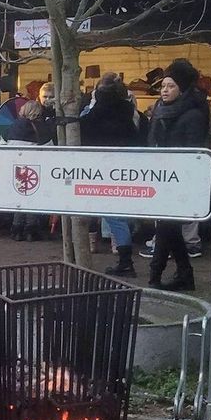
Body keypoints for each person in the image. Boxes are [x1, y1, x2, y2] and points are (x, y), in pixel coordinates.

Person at [145, 60, 209, 291]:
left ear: (181, 88)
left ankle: (155, 276)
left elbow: (193, 150)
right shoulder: (159, 111)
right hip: (159, 176)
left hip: (179, 178)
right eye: (163, 86)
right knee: (168, 227)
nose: (164, 90)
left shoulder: (193, 114)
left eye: (170, 86)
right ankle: (184, 273)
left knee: (166, 226)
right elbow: (150, 141)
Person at [80, 73, 141, 277]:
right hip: (125, 168)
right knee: (118, 216)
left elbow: (81, 129)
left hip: (99, 169)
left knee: (111, 215)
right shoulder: (130, 113)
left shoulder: (93, 115)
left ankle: (126, 262)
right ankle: (124, 258)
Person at [6, 100, 49, 242]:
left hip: (16, 167)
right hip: (35, 167)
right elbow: (49, 148)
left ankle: (16, 229)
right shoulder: (41, 127)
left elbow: (4, 144)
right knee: (32, 196)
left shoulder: (13, 126)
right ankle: (31, 230)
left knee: (20, 197)